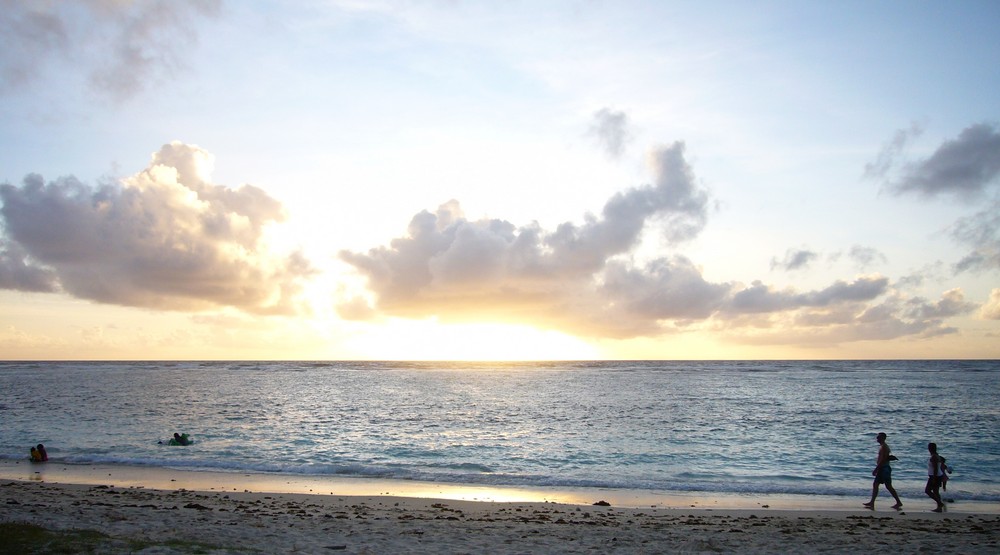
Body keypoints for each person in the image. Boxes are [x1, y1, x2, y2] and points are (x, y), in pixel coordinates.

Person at [863, 432, 902, 510]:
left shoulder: (884, 447)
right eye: (877, 437)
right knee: (875, 484)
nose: (877, 438)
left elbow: (883, 459)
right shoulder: (882, 446)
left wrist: (876, 469)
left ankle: (898, 502)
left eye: (879, 437)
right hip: (882, 468)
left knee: (888, 486)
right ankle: (872, 502)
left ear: (883, 438)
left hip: (884, 469)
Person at [926, 442, 945, 512]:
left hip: (935, 476)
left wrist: (933, 478)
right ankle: (939, 508)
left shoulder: (934, 456)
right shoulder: (936, 455)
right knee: (936, 492)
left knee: (927, 490)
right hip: (938, 476)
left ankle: (940, 504)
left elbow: (936, 468)